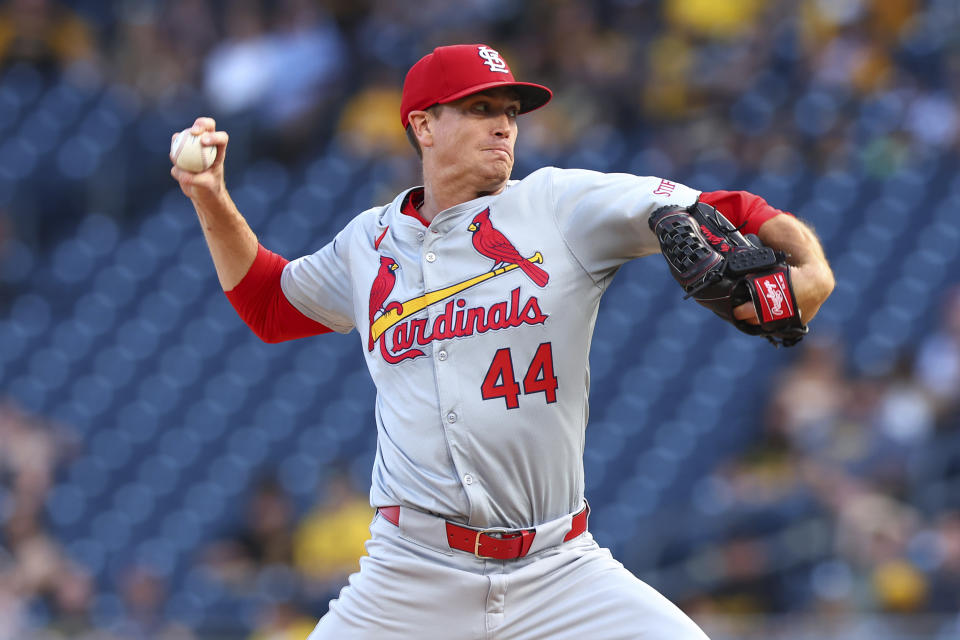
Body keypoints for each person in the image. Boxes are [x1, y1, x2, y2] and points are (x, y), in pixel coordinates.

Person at [171, 43, 834, 639]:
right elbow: (269, 305)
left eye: (511, 111)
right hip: (411, 575)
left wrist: (809, 266)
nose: (504, 124)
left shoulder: (559, 204)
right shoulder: (368, 243)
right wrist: (210, 198)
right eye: (480, 107)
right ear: (423, 126)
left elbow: (728, 209)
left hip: (558, 570)